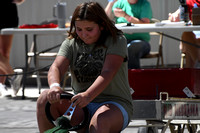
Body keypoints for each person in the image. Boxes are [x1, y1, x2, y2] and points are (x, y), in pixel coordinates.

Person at [37, 2, 133, 133]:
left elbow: (108, 72)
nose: (83, 34)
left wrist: (88, 95)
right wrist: (54, 86)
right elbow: (56, 67)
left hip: (114, 104)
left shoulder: (117, 40)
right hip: (81, 104)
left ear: (102, 25)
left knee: (100, 121)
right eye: (79, 29)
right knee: (44, 98)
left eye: (89, 29)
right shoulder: (71, 43)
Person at [105, 0, 153, 69]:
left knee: (131, 48)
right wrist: (111, 3)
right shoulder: (119, 3)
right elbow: (105, 19)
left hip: (141, 42)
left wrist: (125, 16)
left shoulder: (144, 4)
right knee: (110, 46)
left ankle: (133, 76)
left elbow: (145, 23)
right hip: (122, 40)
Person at [0, 0, 25, 97]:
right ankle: (13, 75)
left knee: (4, 52)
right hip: (9, 14)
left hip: (8, 14)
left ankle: (1, 84)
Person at [168, 0, 200, 68]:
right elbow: (176, 15)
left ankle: (195, 70)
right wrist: (173, 17)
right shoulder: (190, 1)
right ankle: (195, 69)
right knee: (186, 35)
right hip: (195, 34)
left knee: (187, 45)